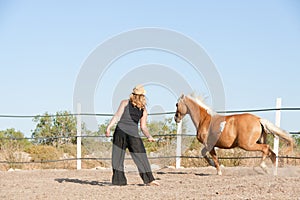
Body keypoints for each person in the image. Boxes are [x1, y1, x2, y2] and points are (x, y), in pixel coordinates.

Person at [105, 84, 159, 186]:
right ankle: (119, 181)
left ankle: (149, 180)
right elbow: (117, 116)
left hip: (129, 134)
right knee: (120, 157)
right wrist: (109, 127)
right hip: (121, 133)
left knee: (137, 155)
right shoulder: (125, 103)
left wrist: (149, 136)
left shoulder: (143, 110)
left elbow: (143, 127)